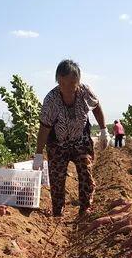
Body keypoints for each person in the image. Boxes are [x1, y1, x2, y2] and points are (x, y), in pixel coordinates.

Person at [33, 59, 107, 218]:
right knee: (57, 178)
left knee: (86, 171)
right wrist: (38, 153)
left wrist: (103, 130)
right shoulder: (51, 100)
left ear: (78, 81)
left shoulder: (85, 92)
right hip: (57, 143)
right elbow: (44, 127)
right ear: (58, 81)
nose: (67, 87)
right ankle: (57, 211)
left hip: (80, 139)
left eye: (72, 83)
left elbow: (96, 107)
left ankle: (85, 209)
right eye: (63, 83)